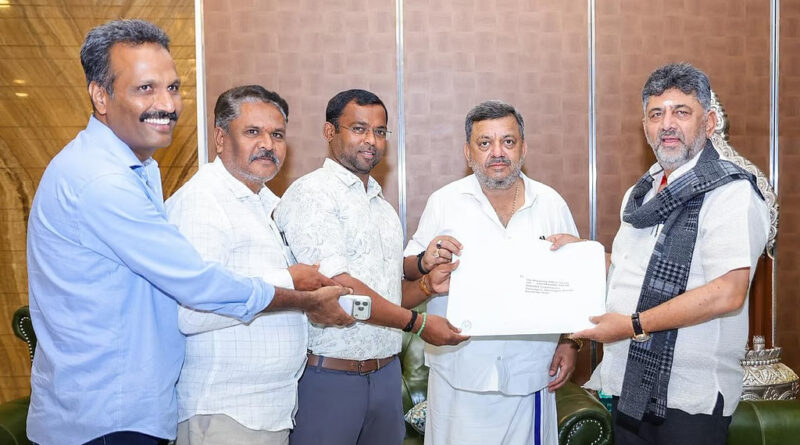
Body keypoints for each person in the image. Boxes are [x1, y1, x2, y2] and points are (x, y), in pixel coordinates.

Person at [26, 20, 351, 445]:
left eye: (173, 88)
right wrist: (299, 294)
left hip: (137, 409)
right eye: (145, 88)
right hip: (106, 417)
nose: (166, 104)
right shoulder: (103, 181)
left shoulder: (139, 169)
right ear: (101, 96)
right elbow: (197, 288)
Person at [556, 63, 770, 444]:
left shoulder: (731, 193)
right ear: (645, 127)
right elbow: (629, 271)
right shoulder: (642, 193)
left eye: (681, 112)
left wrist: (633, 325)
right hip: (629, 390)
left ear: (709, 123)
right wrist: (582, 255)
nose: (667, 124)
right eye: (656, 114)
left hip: (690, 403)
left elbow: (728, 292)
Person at [273, 89, 469, 445]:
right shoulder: (311, 195)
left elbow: (387, 296)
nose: (371, 140)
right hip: (330, 377)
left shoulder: (383, 208)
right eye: (359, 128)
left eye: (379, 131)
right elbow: (343, 291)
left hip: (386, 377)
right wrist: (420, 324)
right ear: (330, 132)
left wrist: (426, 284)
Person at [401, 100, 581, 445]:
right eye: (485, 143)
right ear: (468, 153)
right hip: (458, 375)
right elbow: (406, 277)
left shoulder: (551, 204)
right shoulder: (444, 202)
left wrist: (570, 342)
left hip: (530, 374)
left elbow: (574, 286)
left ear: (523, 148)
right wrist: (427, 268)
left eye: (508, 141)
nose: (497, 152)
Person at [165, 85, 335, 445]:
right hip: (222, 414)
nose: (268, 145)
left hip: (269, 411)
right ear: (220, 138)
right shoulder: (202, 202)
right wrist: (289, 281)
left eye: (277, 135)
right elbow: (190, 313)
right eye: (253, 132)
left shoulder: (265, 204)